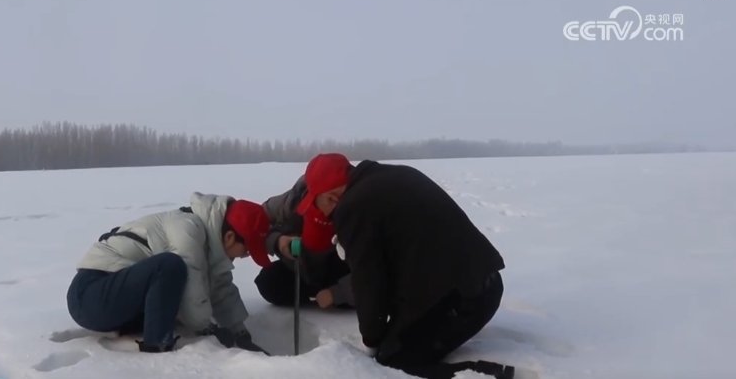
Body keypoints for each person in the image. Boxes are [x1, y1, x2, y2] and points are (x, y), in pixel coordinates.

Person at [299, 153, 516, 379]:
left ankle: (483, 375)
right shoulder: (394, 175)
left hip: (466, 299)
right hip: (478, 281)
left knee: (395, 362)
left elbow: (369, 281)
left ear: (331, 198)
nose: (321, 213)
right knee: (399, 341)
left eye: (316, 203)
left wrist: (371, 341)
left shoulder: (352, 207)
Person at [66, 192, 270, 354]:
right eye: (247, 250)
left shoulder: (211, 246)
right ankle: (157, 345)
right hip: (90, 294)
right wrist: (208, 328)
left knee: (173, 302)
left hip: (113, 298)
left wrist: (239, 332)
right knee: (170, 266)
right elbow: (192, 298)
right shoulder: (188, 228)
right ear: (229, 237)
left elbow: (220, 287)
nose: (244, 256)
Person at [254, 175, 355, 309]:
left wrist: (338, 293)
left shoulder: (359, 212)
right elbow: (253, 224)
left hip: (341, 271)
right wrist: (277, 240)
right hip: (302, 268)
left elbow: (377, 271)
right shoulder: (289, 204)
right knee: (269, 283)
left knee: (362, 296)